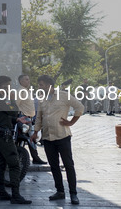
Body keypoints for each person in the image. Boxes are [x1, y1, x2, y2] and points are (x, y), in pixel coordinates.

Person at [31, 75, 84, 205]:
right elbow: (39, 117)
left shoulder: (64, 95)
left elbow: (80, 107)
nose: (40, 87)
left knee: (68, 165)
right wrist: (36, 132)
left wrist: (71, 122)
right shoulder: (41, 99)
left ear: (49, 85)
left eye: (41, 85)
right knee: (54, 166)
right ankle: (60, 192)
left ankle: (73, 194)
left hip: (63, 137)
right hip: (47, 138)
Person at [0, 75, 32, 205]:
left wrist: (17, 120)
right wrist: (12, 100)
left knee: (1, 164)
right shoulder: (2, 96)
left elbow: (1, 115)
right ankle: (16, 195)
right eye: (8, 85)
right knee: (14, 164)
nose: (10, 87)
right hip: (3, 135)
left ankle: (2, 193)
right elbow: (12, 111)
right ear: (2, 85)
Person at [15, 74, 47, 165]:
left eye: (28, 79)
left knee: (31, 139)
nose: (28, 81)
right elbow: (16, 105)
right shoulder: (21, 91)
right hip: (23, 118)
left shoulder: (25, 91)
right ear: (20, 81)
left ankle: (34, 157)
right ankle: (34, 157)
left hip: (29, 119)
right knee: (28, 139)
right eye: (26, 79)